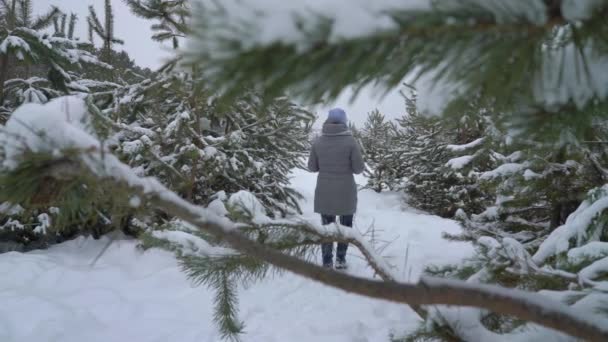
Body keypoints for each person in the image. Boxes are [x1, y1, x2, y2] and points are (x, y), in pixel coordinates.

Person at [307, 108, 365, 269]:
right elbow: (358, 169)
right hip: (346, 192)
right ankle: (340, 259)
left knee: (327, 229)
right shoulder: (351, 142)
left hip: (325, 192)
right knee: (345, 228)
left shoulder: (318, 142)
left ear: (327, 121)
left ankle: (327, 261)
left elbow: (312, 167)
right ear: (344, 122)